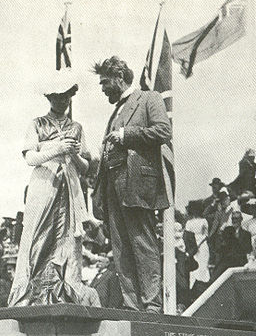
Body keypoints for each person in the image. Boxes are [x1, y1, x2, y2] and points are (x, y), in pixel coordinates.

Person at [91, 56, 172, 313]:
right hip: (113, 185)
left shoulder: (149, 99)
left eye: (105, 82)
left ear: (119, 77)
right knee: (121, 247)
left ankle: (151, 305)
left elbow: (163, 131)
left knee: (142, 243)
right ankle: (132, 305)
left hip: (137, 183)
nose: (103, 88)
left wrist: (127, 135)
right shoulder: (115, 111)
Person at [9, 71, 91, 306]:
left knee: (69, 238)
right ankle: (34, 294)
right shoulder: (37, 123)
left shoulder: (77, 127)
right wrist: (57, 149)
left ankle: (67, 292)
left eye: (65, 96)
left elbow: (86, 167)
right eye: (56, 97)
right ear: (49, 98)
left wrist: (73, 154)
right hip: (44, 186)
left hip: (70, 188)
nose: (61, 101)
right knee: (38, 234)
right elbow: (30, 158)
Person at [185, 200, 210, 298]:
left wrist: (199, 243)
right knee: (194, 268)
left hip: (203, 246)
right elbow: (187, 236)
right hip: (192, 246)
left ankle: (203, 289)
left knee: (203, 266)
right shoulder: (189, 222)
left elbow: (206, 235)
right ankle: (193, 291)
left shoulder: (204, 221)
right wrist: (192, 247)